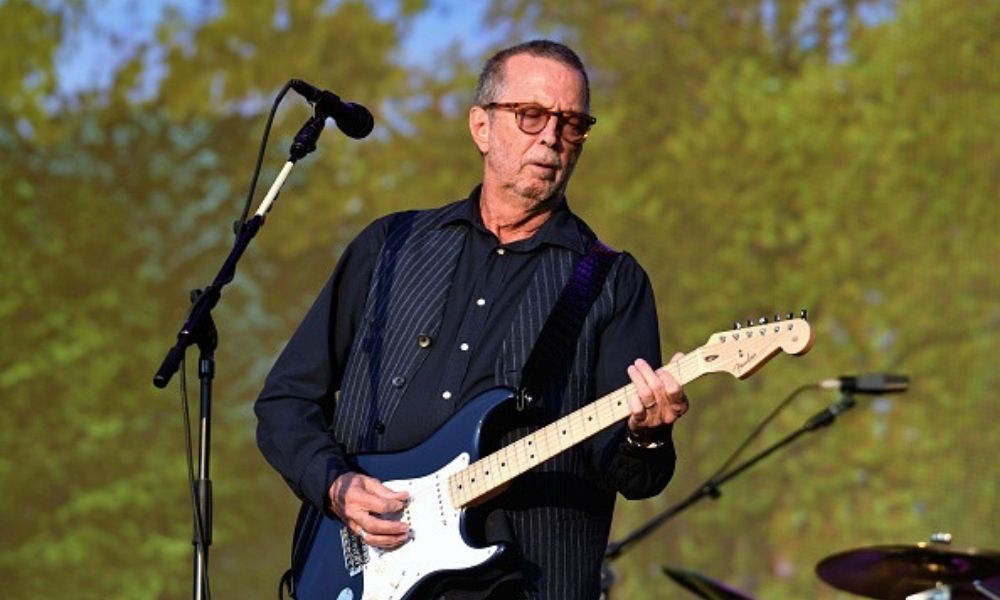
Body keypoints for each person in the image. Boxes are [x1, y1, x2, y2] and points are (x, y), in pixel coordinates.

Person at [255, 39, 689, 600]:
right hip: (354, 576)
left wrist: (647, 436)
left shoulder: (612, 282)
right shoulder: (390, 247)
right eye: (531, 115)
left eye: (572, 124)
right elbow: (286, 402)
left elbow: (636, 476)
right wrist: (335, 486)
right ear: (481, 127)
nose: (552, 138)